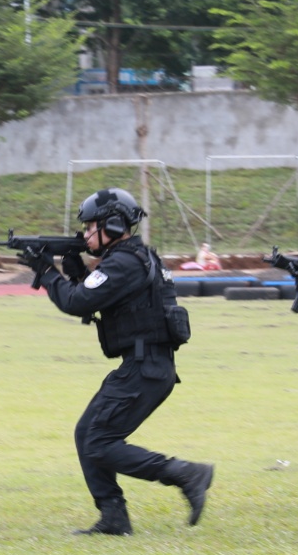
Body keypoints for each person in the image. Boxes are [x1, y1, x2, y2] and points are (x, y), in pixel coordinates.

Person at [20, 188, 214, 535]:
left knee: (99, 442)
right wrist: (75, 267)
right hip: (146, 366)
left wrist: (46, 272)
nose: (84, 234)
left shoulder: (123, 262)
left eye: (89, 226)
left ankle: (185, 473)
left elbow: (77, 302)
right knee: (87, 434)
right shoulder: (136, 257)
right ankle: (113, 516)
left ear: (111, 225)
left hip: (145, 368)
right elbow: (99, 294)